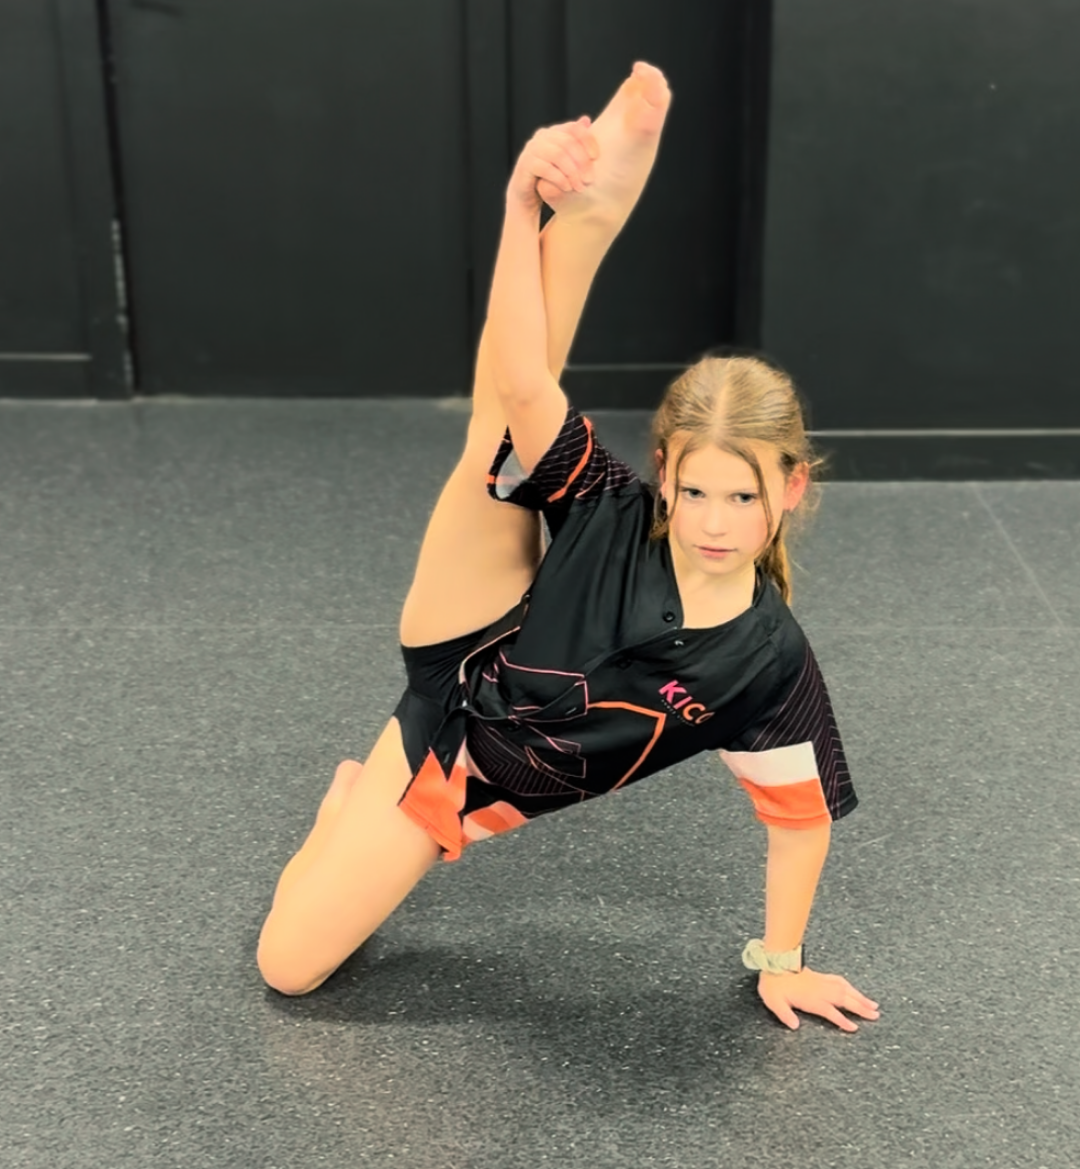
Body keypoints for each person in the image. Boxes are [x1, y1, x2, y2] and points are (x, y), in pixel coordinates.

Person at [257, 61, 880, 1035]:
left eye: (744, 496)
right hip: (467, 635)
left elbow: (798, 820)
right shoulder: (613, 506)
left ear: (789, 492)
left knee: (288, 967)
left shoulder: (764, 666)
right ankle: (589, 210)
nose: (715, 522)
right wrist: (519, 203)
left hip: (455, 778)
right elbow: (518, 373)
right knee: (497, 428)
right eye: (698, 490)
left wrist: (781, 963)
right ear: (665, 473)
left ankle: (353, 802)